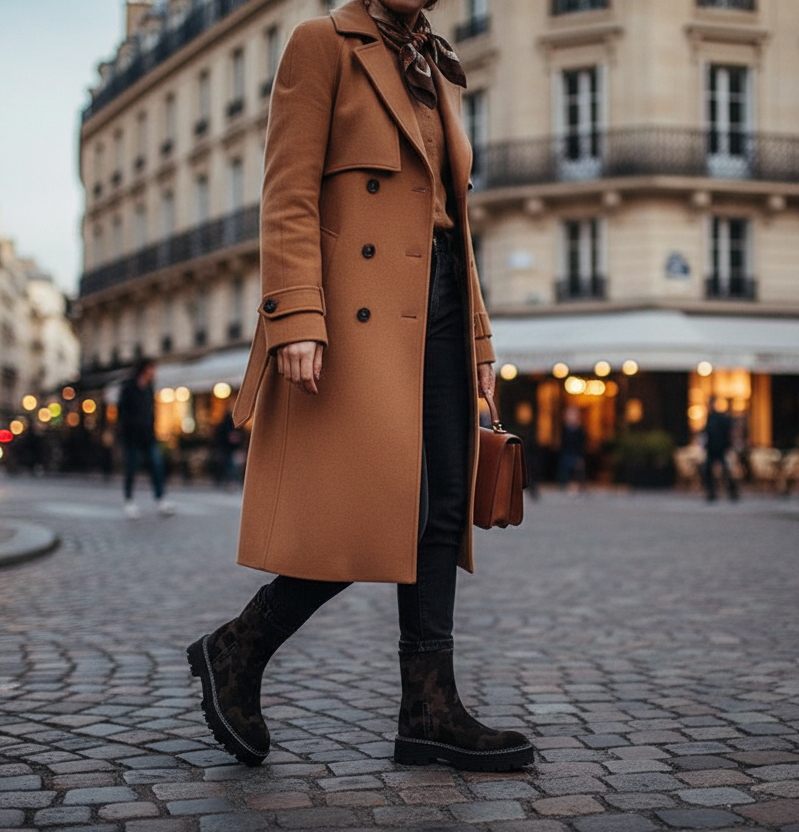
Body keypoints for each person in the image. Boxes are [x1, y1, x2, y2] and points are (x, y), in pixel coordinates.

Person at [185, 0, 532, 774]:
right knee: (372, 504)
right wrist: (297, 312)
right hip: (355, 315)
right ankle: (239, 647)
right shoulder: (322, 44)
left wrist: (478, 336)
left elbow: (456, 222)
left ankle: (429, 709)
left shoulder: (436, 65)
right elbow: (288, 190)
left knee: (443, 505)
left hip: (440, 303)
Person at [118, 357, 174, 519]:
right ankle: (128, 501)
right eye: (152, 369)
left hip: (148, 436)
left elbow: (151, 412)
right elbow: (122, 412)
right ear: (144, 369)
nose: (154, 373)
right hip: (132, 437)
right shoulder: (128, 387)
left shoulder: (149, 388)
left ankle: (160, 500)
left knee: (157, 466)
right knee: (131, 468)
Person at [702, 396, 738, 502]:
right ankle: (712, 493)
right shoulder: (710, 418)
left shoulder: (721, 419)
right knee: (708, 471)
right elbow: (706, 433)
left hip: (720, 448)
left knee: (725, 472)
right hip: (712, 449)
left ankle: (732, 492)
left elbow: (728, 433)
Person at [556, 406, 587, 493]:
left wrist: (581, 457)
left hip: (576, 454)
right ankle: (564, 486)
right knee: (564, 470)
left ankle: (579, 487)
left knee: (578, 471)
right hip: (565, 453)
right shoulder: (564, 428)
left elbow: (582, 444)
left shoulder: (580, 429)